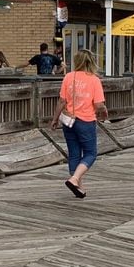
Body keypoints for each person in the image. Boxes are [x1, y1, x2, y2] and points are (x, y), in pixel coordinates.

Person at [50, 49, 107, 199]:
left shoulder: (69, 77)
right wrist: (104, 111)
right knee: (90, 153)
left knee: (74, 153)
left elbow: (62, 101)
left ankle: (79, 187)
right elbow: (99, 104)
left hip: (69, 120)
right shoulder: (94, 80)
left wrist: (55, 119)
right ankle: (74, 179)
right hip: (86, 121)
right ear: (91, 61)